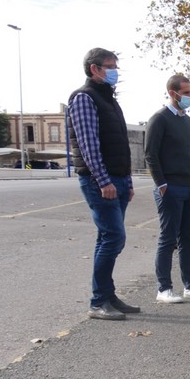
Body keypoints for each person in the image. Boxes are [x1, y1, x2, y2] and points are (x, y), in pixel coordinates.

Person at [67, 47, 139, 321]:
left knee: (108, 238)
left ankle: (107, 295)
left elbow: (120, 143)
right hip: (101, 181)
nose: (115, 71)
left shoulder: (109, 100)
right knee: (113, 237)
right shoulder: (84, 98)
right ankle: (98, 301)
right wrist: (103, 180)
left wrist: (128, 181)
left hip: (118, 179)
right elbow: (88, 145)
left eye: (115, 66)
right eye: (110, 66)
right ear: (94, 68)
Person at [144, 74, 190, 304]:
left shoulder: (188, 122)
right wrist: (161, 184)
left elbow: (189, 154)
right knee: (168, 238)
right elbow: (150, 155)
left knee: (188, 238)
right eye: (186, 93)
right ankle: (164, 289)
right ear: (173, 93)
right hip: (170, 187)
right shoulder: (159, 119)